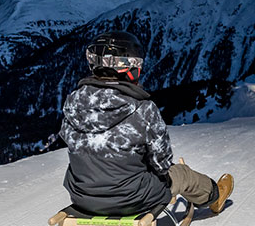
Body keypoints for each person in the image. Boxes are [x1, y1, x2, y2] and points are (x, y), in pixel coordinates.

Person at [59, 31, 234, 216]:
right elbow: (162, 164)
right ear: (131, 68)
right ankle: (215, 196)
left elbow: (71, 142)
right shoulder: (143, 109)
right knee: (182, 174)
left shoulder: (72, 104)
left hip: (82, 197)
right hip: (133, 199)